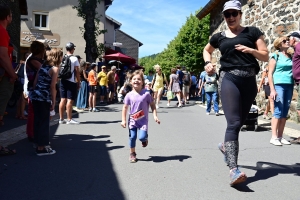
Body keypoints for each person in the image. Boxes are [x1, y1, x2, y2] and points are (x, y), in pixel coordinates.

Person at [203, 0, 269, 186]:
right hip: (229, 78)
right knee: (233, 123)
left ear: (240, 14)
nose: (231, 17)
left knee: (240, 122)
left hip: (249, 80)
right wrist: (208, 63)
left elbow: (265, 55)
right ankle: (233, 169)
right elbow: (206, 50)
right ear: (224, 17)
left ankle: (226, 146)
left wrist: (250, 50)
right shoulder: (219, 37)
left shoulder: (252, 32)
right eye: (227, 14)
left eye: (234, 13)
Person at [121, 70, 160, 163]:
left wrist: (155, 116)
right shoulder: (129, 95)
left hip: (143, 121)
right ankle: (132, 153)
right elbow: (125, 108)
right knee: (132, 137)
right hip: (133, 121)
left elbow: (153, 106)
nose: (136, 81)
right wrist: (123, 120)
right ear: (130, 81)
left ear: (142, 82)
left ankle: (144, 139)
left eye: (139, 79)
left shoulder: (146, 94)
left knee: (141, 137)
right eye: (134, 79)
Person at [30, 48, 62, 156]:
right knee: (44, 122)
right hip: (44, 97)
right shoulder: (55, 69)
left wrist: (34, 92)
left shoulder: (42, 66)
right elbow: (52, 86)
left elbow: (35, 81)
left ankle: (38, 143)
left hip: (36, 96)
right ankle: (41, 148)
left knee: (37, 121)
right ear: (58, 57)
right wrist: (53, 101)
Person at [268, 36, 293, 146]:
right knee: (278, 110)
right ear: (279, 44)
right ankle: (273, 137)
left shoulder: (290, 56)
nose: (287, 41)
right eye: (284, 40)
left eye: (288, 40)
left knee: (284, 112)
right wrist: (272, 90)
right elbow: (269, 74)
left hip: (289, 85)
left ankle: (280, 136)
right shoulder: (275, 56)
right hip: (278, 85)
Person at [0, 4, 17, 155]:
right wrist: (13, 74)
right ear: (7, 17)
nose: (12, 17)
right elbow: (3, 56)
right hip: (2, 77)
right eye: (11, 15)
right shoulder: (2, 31)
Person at [24, 41, 45, 141]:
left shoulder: (36, 59)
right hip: (34, 88)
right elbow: (44, 69)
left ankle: (33, 132)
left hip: (36, 87)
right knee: (33, 112)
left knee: (35, 112)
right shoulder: (33, 60)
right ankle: (32, 133)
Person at [59, 42, 80, 125]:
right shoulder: (74, 58)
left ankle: (61, 119)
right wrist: (78, 81)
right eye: (73, 48)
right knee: (70, 100)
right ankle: (69, 119)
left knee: (62, 99)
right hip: (71, 81)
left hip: (62, 80)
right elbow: (77, 71)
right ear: (72, 49)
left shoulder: (62, 58)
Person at [288, 31, 300, 144]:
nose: (288, 40)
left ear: (294, 39)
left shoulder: (299, 46)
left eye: (289, 38)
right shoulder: (296, 49)